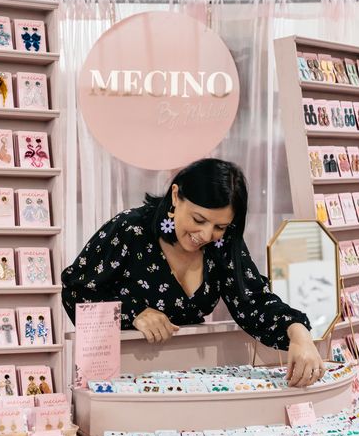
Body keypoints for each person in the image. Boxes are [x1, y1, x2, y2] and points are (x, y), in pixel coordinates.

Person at [62, 158, 324, 387]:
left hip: (188, 377)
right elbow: (76, 289)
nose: (206, 235)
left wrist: (297, 332)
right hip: (119, 376)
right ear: (176, 196)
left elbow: (252, 301)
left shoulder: (222, 243)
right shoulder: (130, 229)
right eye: (199, 220)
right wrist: (134, 311)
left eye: (220, 226)